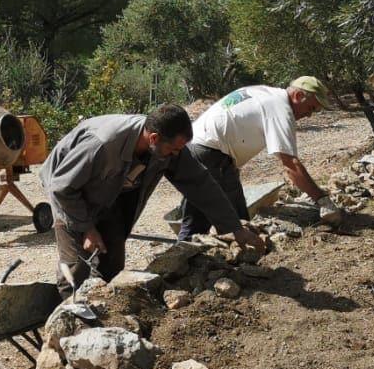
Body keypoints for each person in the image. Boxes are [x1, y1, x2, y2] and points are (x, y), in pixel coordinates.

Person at [40, 103, 267, 290]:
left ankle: (105, 316)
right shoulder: (103, 145)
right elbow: (63, 187)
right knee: (76, 269)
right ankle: (66, 327)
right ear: (154, 138)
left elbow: (201, 184)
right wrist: (87, 228)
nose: (177, 155)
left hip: (110, 194)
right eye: (173, 150)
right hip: (69, 193)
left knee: (113, 261)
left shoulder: (168, 144)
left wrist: (234, 227)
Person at [178, 75, 341, 240]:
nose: (309, 115)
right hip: (210, 152)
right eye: (311, 108)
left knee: (195, 221)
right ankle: (241, 262)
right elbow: (290, 165)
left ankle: (185, 258)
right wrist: (322, 200)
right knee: (238, 224)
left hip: (193, 147)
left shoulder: (266, 93)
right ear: (298, 96)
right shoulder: (280, 109)